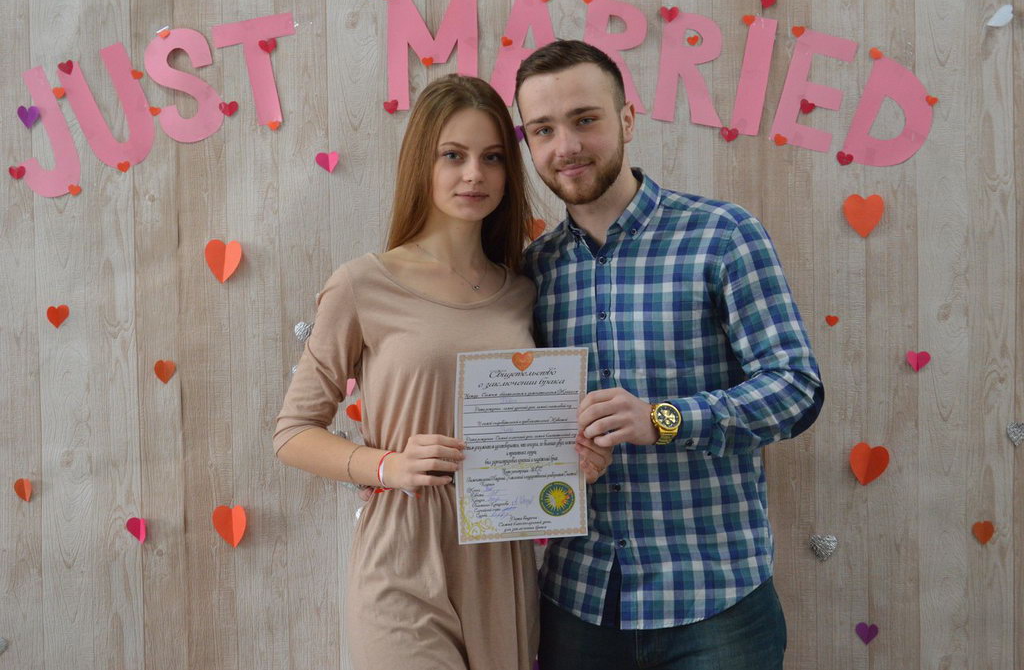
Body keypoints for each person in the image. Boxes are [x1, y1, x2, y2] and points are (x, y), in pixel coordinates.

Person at [273, 74, 611, 670]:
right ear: (421, 165)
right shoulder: (361, 285)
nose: (474, 175)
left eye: (492, 158)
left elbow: (531, 425)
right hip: (401, 556)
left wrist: (576, 457)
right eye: (453, 156)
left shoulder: (524, 291)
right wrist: (388, 466)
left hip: (501, 561)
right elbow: (292, 433)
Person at [514, 41, 825, 669]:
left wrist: (663, 419)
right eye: (543, 129)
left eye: (585, 119)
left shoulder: (721, 234)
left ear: (627, 119)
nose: (565, 145)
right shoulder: (533, 271)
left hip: (716, 603)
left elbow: (796, 388)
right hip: (578, 602)